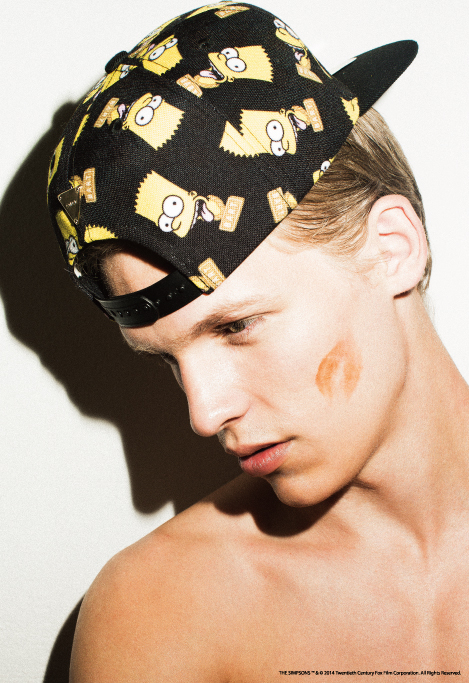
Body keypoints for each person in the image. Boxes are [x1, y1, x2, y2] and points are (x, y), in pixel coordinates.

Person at [47, 2, 467, 680]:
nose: (203, 413)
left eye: (235, 326)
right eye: (167, 359)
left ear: (391, 248)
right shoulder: (161, 611)